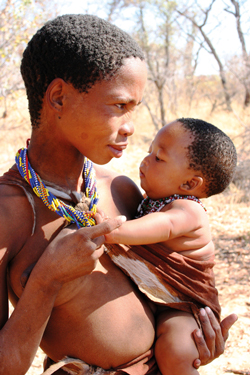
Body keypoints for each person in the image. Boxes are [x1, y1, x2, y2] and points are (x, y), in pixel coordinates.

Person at [0, 14, 237, 375]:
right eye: (119, 106)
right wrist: (46, 280)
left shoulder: (121, 189)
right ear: (59, 97)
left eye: (135, 109)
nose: (130, 128)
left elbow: (161, 294)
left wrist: (193, 338)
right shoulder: (9, 213)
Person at [101, 118, 237, 375]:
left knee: (177, 348)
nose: (145, 160)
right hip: (157, 300)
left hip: (185, 304)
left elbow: (163, 226)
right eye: (149, 151)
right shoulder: (153, 200)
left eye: (158, 158)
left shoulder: (189, 210)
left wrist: (111, 230)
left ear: (188, 184)